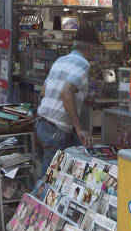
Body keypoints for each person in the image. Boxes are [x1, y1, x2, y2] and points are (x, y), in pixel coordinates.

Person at [35, 27, 102, 177]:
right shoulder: (83, 64)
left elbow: (44, 91)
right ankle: (32, 201)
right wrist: (79, 129)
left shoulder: (61, 60)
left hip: (42, 124)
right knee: (49, 180)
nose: (97, 51)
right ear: (91, 47)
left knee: (54, 175)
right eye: (97, 47)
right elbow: (66, 92)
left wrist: (82, 98)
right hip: (55, 130)